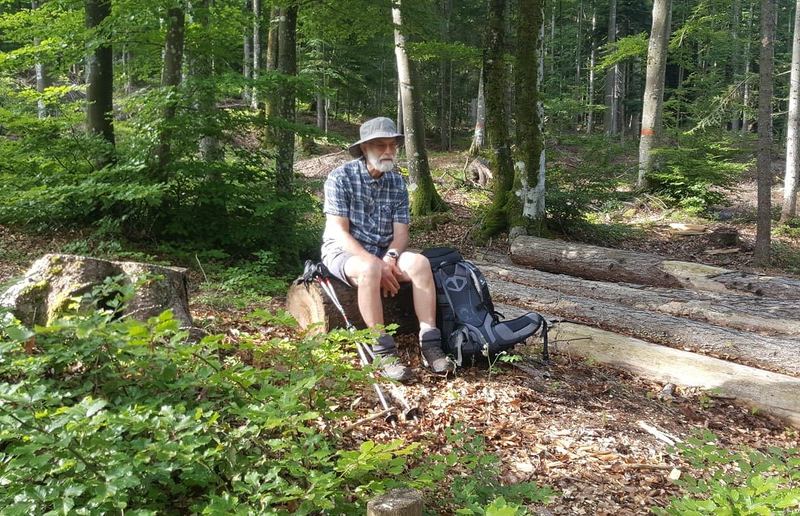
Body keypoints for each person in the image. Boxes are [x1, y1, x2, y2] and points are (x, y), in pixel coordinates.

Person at [321, 117, 454, 381]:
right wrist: (377, 264)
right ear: (365, 148)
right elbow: (339, 232)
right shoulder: (340, 178)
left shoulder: (396, 182)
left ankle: (430, 344)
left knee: (419, 263)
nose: (389, 152)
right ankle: (382, 350)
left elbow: (401, 234)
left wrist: (391, 258)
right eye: (381, 145)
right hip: (343, 252)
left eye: (393, 145)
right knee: (370, 268)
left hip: (384, 252)